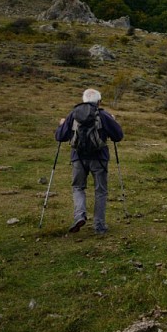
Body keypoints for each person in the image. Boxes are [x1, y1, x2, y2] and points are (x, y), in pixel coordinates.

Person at [55, 88, 123, 234]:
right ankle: (99, 226)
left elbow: (60, 137)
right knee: (100, 191)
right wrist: (113, 121)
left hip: (78, 158)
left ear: (84, 100)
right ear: (99, 102)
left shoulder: (73, 114)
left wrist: (61, 125)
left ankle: (79, 216)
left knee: (78, 188)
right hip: (99, 159)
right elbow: (118, 136)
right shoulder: (103, 115)